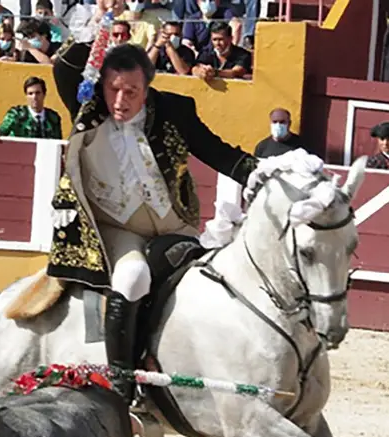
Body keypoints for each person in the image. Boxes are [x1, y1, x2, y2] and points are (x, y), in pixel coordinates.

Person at [46, 40, 258, 401]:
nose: (119, 100)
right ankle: (122, 386)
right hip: (118, 229)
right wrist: (99, 38)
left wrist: (266, 174)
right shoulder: (87, 105)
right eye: (113, 89)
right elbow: (65, 65)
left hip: (174, 225)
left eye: (131, 91)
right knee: (131, 276)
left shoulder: (173, 110)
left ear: (148, 88)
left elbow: (218, 153)